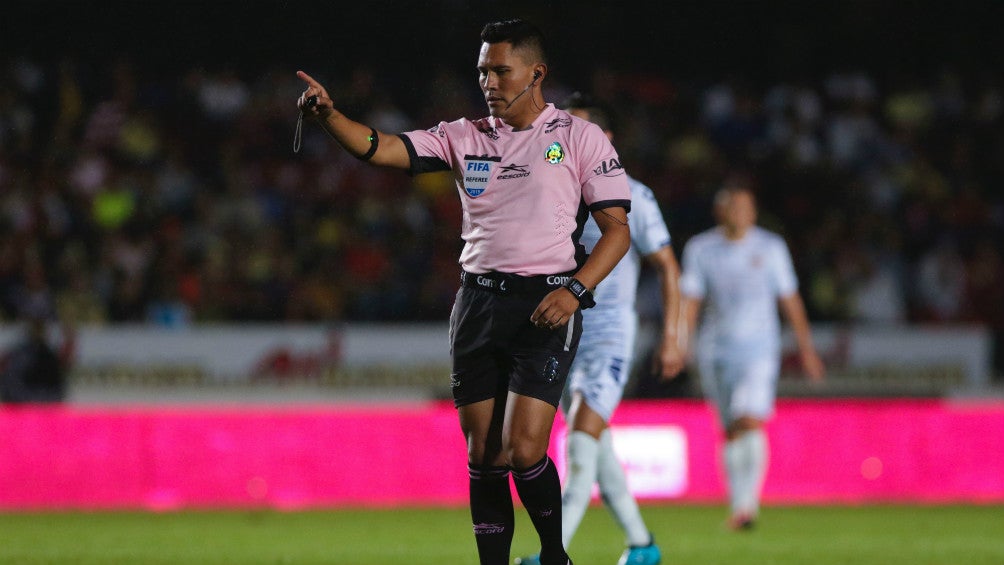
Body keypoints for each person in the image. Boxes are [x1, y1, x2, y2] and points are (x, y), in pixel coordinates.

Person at [296, 19, 631, 565]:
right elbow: (382, 148)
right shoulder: (462, 135)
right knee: (485, 455)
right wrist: (331, 116)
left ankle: (554, 555)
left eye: (501, 70)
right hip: (477, 303)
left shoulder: (577, 137)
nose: (490, 82)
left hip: (547, 304)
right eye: (483, 72)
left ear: (536, 73)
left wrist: (575, 290)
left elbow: (617, 231)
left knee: (525, 451)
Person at [516, 92, 684, 565]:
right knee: (596, 442)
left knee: (582, 441)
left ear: (605, 139)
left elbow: (668, 266)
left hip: (609, 336)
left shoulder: (634, 194)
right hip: (561, 333)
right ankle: (641, 544)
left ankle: (554, 552)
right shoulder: (554, 190)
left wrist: (674, 336)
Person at [678, 183, 825, 530]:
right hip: (715, 348)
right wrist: (681, 342)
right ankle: (737, 502)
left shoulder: (770, 247)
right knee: (730, 429)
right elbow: (691, 299)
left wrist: (806, 348)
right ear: (721, 212)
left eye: (747, 207)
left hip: (760, 348)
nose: (742, 213)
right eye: (735, 207)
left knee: (750, 418)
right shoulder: (701, 248)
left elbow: (789, 297)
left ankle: (747, 506)